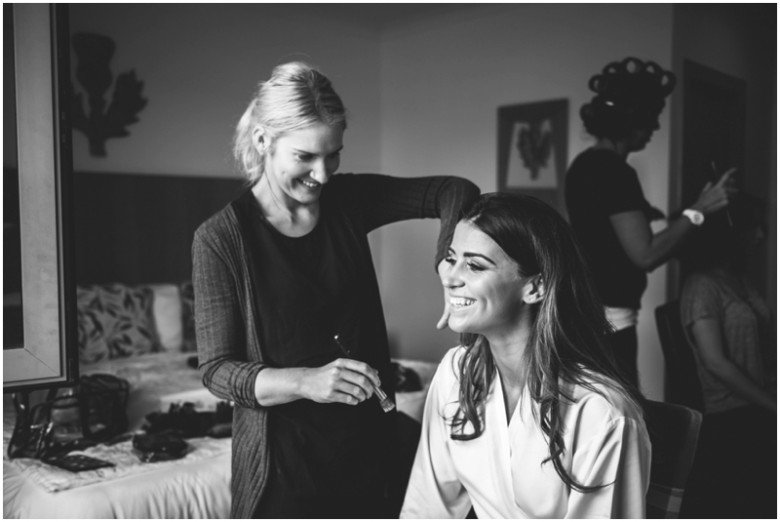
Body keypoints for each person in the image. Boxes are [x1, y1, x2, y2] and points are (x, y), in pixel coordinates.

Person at [191, 61, 479, 518]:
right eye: (305, 157)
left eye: (334, 155)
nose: (323, 175)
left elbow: (455, 190)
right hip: (283, 468)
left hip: (369, 449)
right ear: (264, 140)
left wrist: (449, 267)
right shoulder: (221, 238)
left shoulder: (347, 201)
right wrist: (308, 381)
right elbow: (217, 371)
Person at [401, 193, 650, 518]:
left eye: (474, 265)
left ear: (536, 287)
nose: (449, 277)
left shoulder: (600, 414)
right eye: (451, 258)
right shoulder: (456, 372)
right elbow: (426, 509)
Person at [565, 57, 737, 387]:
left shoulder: (583, 166)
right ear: (632, 120)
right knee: (623, 417)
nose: (655, 128)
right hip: (609, 322)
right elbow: (645, 255)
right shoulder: (615, 172)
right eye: (652, 119)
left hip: (587, 313)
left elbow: (610, 238)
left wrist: (682, 218)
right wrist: (700, 209)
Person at [678, 194, 775, 518]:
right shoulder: (702, 287)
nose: (762, 235)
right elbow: (715, 362)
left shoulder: (738, 280)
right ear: (731, 233)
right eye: (755, 227)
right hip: (730, 413)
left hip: (757, 401)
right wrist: (772, 404)